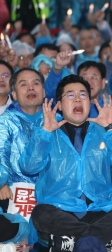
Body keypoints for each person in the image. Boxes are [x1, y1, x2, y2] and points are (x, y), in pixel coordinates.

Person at [19, 75, 112, 251]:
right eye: (70, 95)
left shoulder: (103, 130)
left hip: (101, 210)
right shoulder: (47, 132)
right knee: (41, 213)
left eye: (83, 95)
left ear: (90, 101)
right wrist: (44, 133)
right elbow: (28, 166)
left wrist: (111, 128)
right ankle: (102, 238)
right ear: (60, 105)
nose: (78, 99)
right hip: (62, 210)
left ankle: (73, 240)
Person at [0, 68, 46, 245]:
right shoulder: (5, 121)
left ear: (43, 91)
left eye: (36, 83)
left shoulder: (56, 119)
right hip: (12, 191)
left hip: (49, 195)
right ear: (14, 94)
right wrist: (2, 183)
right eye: (23, 84)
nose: (31, 88)